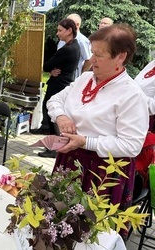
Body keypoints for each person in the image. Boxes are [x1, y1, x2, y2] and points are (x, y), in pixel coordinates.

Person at [47, 24, 148, 225]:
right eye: (92, 53)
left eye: (99, 55)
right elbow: (54, 101)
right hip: (70, 160)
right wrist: (62, 118)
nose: (92, 60)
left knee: (87, 230)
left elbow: (131, 146)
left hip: (102, 173)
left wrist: (85, 141)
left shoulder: (131, 95)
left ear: (120, 56)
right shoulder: (85, 79)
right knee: (55, 223)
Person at [32, 19, 80, 158]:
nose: (57, 33)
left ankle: (53, 148)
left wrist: (50, 69)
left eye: (60, 30)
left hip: (58, 85)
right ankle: (54, 145)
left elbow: (47, 65)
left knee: (53, 115)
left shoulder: (67, 49)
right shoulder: (75, 46)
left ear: (69, 30)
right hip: (63, 82)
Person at [58, 13, 92, 79]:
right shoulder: (62, 39)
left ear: (77, 25)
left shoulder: (82, 40)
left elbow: (88, 60)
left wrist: (81, 75)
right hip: (59, 78)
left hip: (73, 78)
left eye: (69, 23)